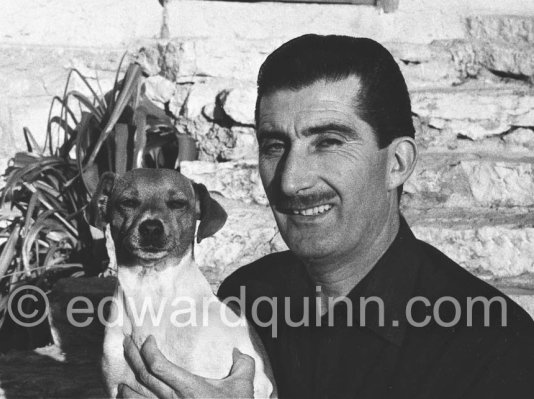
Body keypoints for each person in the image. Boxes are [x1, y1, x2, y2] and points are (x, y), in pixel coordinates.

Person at [118, 35, 534, 398]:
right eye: (275, 145)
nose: (291, 181)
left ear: (398, 163)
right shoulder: (245, 296)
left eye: (329, 141)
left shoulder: (492, 343)